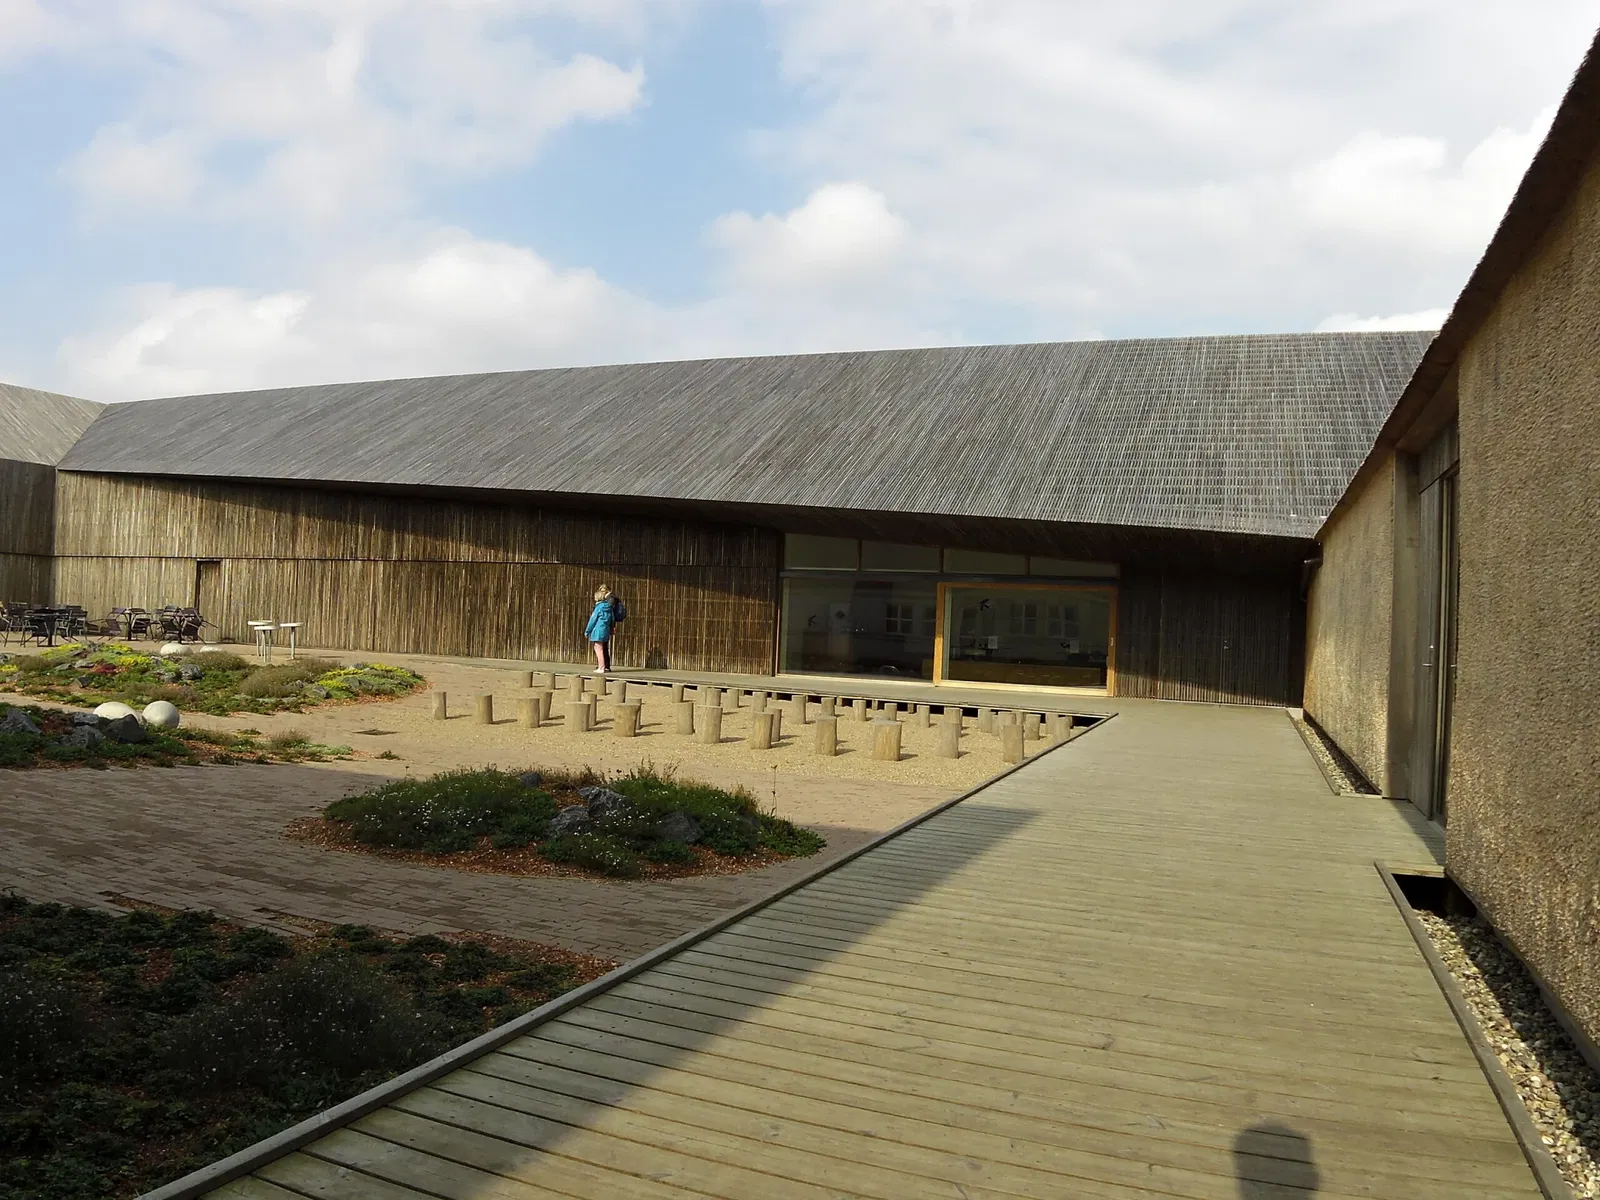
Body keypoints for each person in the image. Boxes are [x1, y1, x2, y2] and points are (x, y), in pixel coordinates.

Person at [584, 584, 626, 673]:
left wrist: (587, 631)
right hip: (606, 628)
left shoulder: (604, 604)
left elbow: (593, 619)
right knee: (603, 647)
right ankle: (603, 666)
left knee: (599, 648)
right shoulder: (608, 606)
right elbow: (612, 618)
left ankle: (602, 666)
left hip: (599, 628)